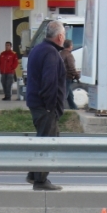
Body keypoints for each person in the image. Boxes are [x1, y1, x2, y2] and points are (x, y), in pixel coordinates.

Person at [25, 21, 66, 191]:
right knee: (48, 142)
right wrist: (51, 107)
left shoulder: (38, 49)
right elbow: (49, 82)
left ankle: (34, 174)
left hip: (37, 104)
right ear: (60, 36)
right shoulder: (51, 53)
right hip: (45, 107)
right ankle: (40, 181)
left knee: (43, 139)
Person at [60, 40, 79, 110]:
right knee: (64, 94)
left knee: (70, 95)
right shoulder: (69, 55)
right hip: (67, 76)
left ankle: (74, 108)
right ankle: (59, 109)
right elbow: (71, 68)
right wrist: (77, 76)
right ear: (70, 46)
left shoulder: (60, 53)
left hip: (61, 76)